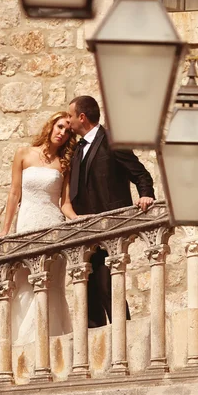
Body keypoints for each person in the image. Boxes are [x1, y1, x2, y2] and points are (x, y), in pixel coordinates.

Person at [0, 111, 77, 353]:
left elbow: (64, 204)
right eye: (60, 127)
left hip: (52, 225)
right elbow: (14, 194)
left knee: (50, 283)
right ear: (51, 126)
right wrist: (4, 231)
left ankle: (48, 343)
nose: (62, 133)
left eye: (67, 131)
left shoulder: (64, 164)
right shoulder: (23, 154)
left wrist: (78, 220)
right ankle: (18, 344)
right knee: (24, 282)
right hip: (27, 224)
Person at [62, 95, 155, 328]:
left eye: (71, 116)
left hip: (109, 226)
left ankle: (125, 340)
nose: (69, 121)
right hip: (83, 230)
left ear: (82, 117)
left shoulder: (112, 140)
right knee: (89, 291)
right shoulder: (76, 149)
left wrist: (147, 194)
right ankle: (96, 355)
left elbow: (140, 174)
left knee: (107, 286)